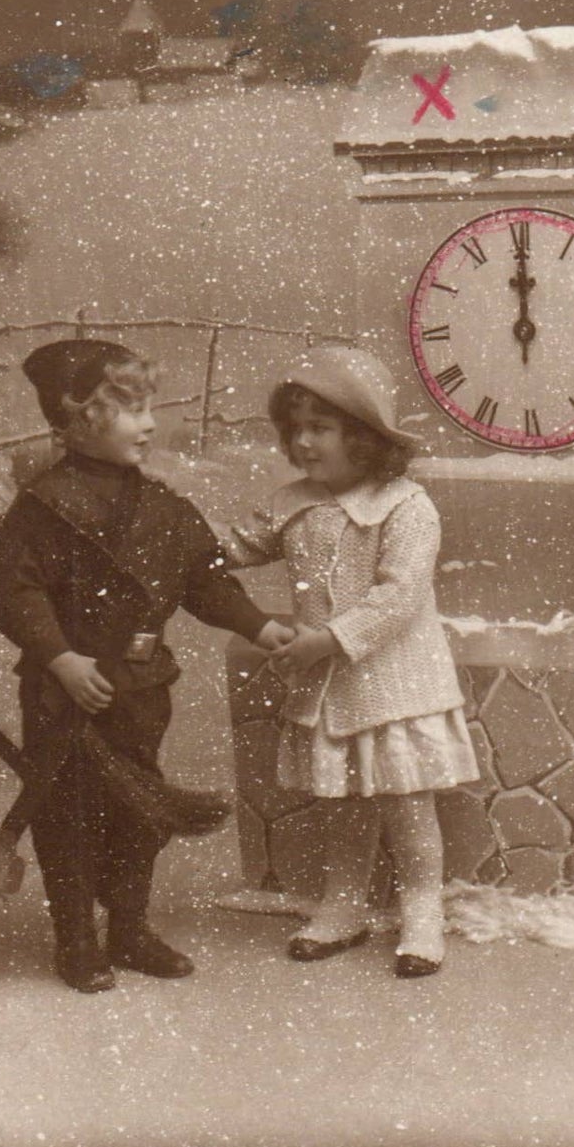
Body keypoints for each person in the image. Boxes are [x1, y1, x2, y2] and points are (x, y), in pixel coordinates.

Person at [0, 339, 291, 993]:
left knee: (139, 813)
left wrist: (257, 622)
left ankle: (127, 925)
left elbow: (205, 583)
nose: (149, 423)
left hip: (140, 689)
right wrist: (60, 658)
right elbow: (14, 593)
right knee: (67, 814)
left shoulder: (164, 509)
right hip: (66, 693)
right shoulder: (44, 507)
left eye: (149, 407)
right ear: (81, 417)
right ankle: (76, 938)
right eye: (132, 410)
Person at [223, 346, 479, 977]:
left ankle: (422, 910)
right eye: (296, 428)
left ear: (363, 437)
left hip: (392, 685)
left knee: (404, 801)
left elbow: (398, 596)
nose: (304, 441)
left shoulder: (407, 506)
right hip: (330, 690)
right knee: (343, 801)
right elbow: (236, 546)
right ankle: (344, 902)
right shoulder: (290, 503)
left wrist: (328, 639)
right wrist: (178, 544)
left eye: (322, 427)